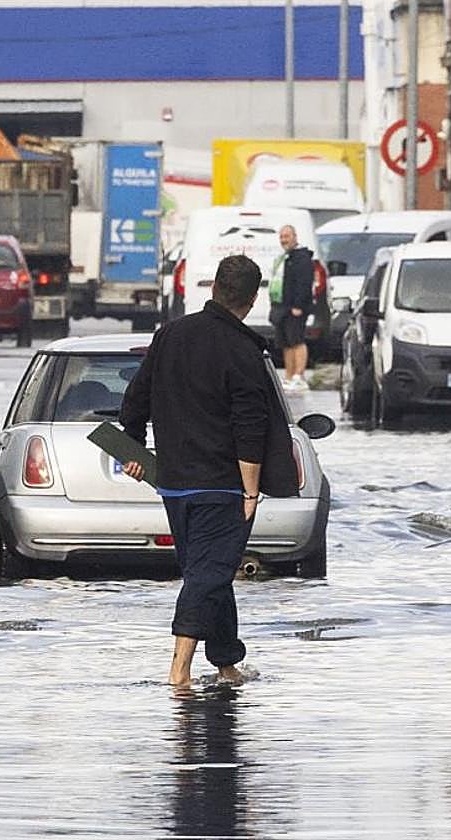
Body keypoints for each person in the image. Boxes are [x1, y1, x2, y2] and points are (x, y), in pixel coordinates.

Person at [119, 254, 301, 688]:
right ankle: (178, 670)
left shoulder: (170, 335)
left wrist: (132, 448)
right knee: (208, 574)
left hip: (174, 483)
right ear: (253, 299)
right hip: (222, 486)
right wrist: (251, 491)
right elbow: (249, 426)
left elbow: (135, 397)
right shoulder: (242, 350)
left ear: (214, 287)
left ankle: (225, 663)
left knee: (211, 570)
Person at [270, 225, 316, 394]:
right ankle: (289, 376)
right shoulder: (284, 257)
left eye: (287, 236)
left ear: (295, 236)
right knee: (285, 343)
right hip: (281, 307)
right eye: (281, 236)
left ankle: (299, 376)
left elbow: (304, 283)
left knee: (296, 340)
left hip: (295, 308)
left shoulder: (302, 258)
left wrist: (298, 305)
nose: (284, 240)